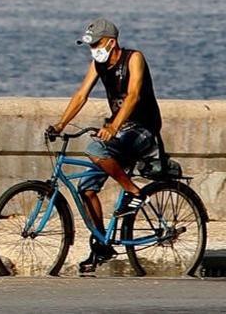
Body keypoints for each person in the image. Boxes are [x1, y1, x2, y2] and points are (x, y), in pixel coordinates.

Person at [45, 17, 163, 275]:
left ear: (111, 42)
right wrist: (60, 125)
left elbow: (133, 96)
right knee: (86, 188)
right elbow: (81, 95)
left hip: (142, 129)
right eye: (90, 45)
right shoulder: (98, 64)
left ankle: (134, 192)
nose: (93, 49)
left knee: (96, 149)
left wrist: (113, 127)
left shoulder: (134, 58)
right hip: (120, 132)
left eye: (96, 44)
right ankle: (102, 244)